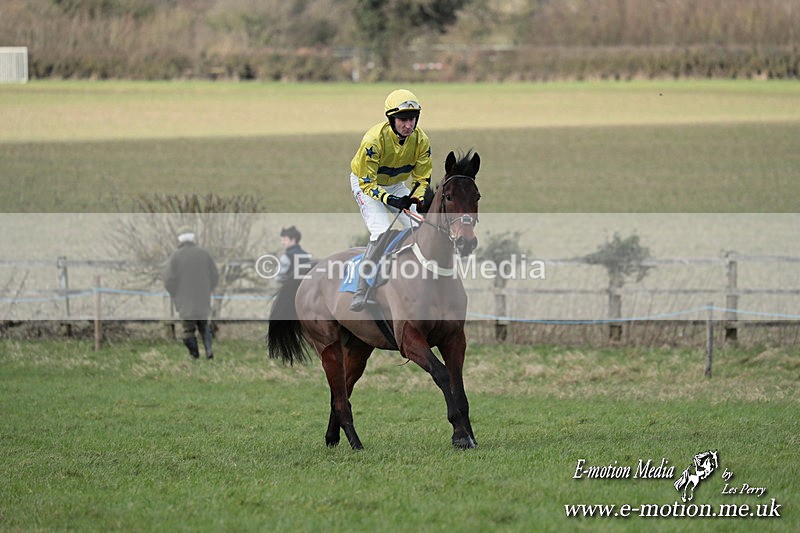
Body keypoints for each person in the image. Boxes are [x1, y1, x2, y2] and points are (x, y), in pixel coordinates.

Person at [348, 89, 432, 311]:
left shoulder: (421, 140)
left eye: (412, 119)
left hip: (396, 184)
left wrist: (417, 198)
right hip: (366, 184)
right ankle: (362, 288)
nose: (408, 125)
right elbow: (368, 184)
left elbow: (422, 178)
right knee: (382, 231)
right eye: (403, 120)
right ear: (391, 119)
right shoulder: (373, 141)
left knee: (421, 226)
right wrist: (391, 200)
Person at [163, 226, 219, 360]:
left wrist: (175, 293)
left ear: (180, 239)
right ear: (193, 238)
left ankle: (194, 355)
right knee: (204, 326)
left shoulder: (175, 256)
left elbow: (168, 280)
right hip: (203, 297)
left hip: (184, 299)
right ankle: (209, 351)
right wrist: (208, 289)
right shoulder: (204, 254)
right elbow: (215, 276)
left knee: (188, 329)